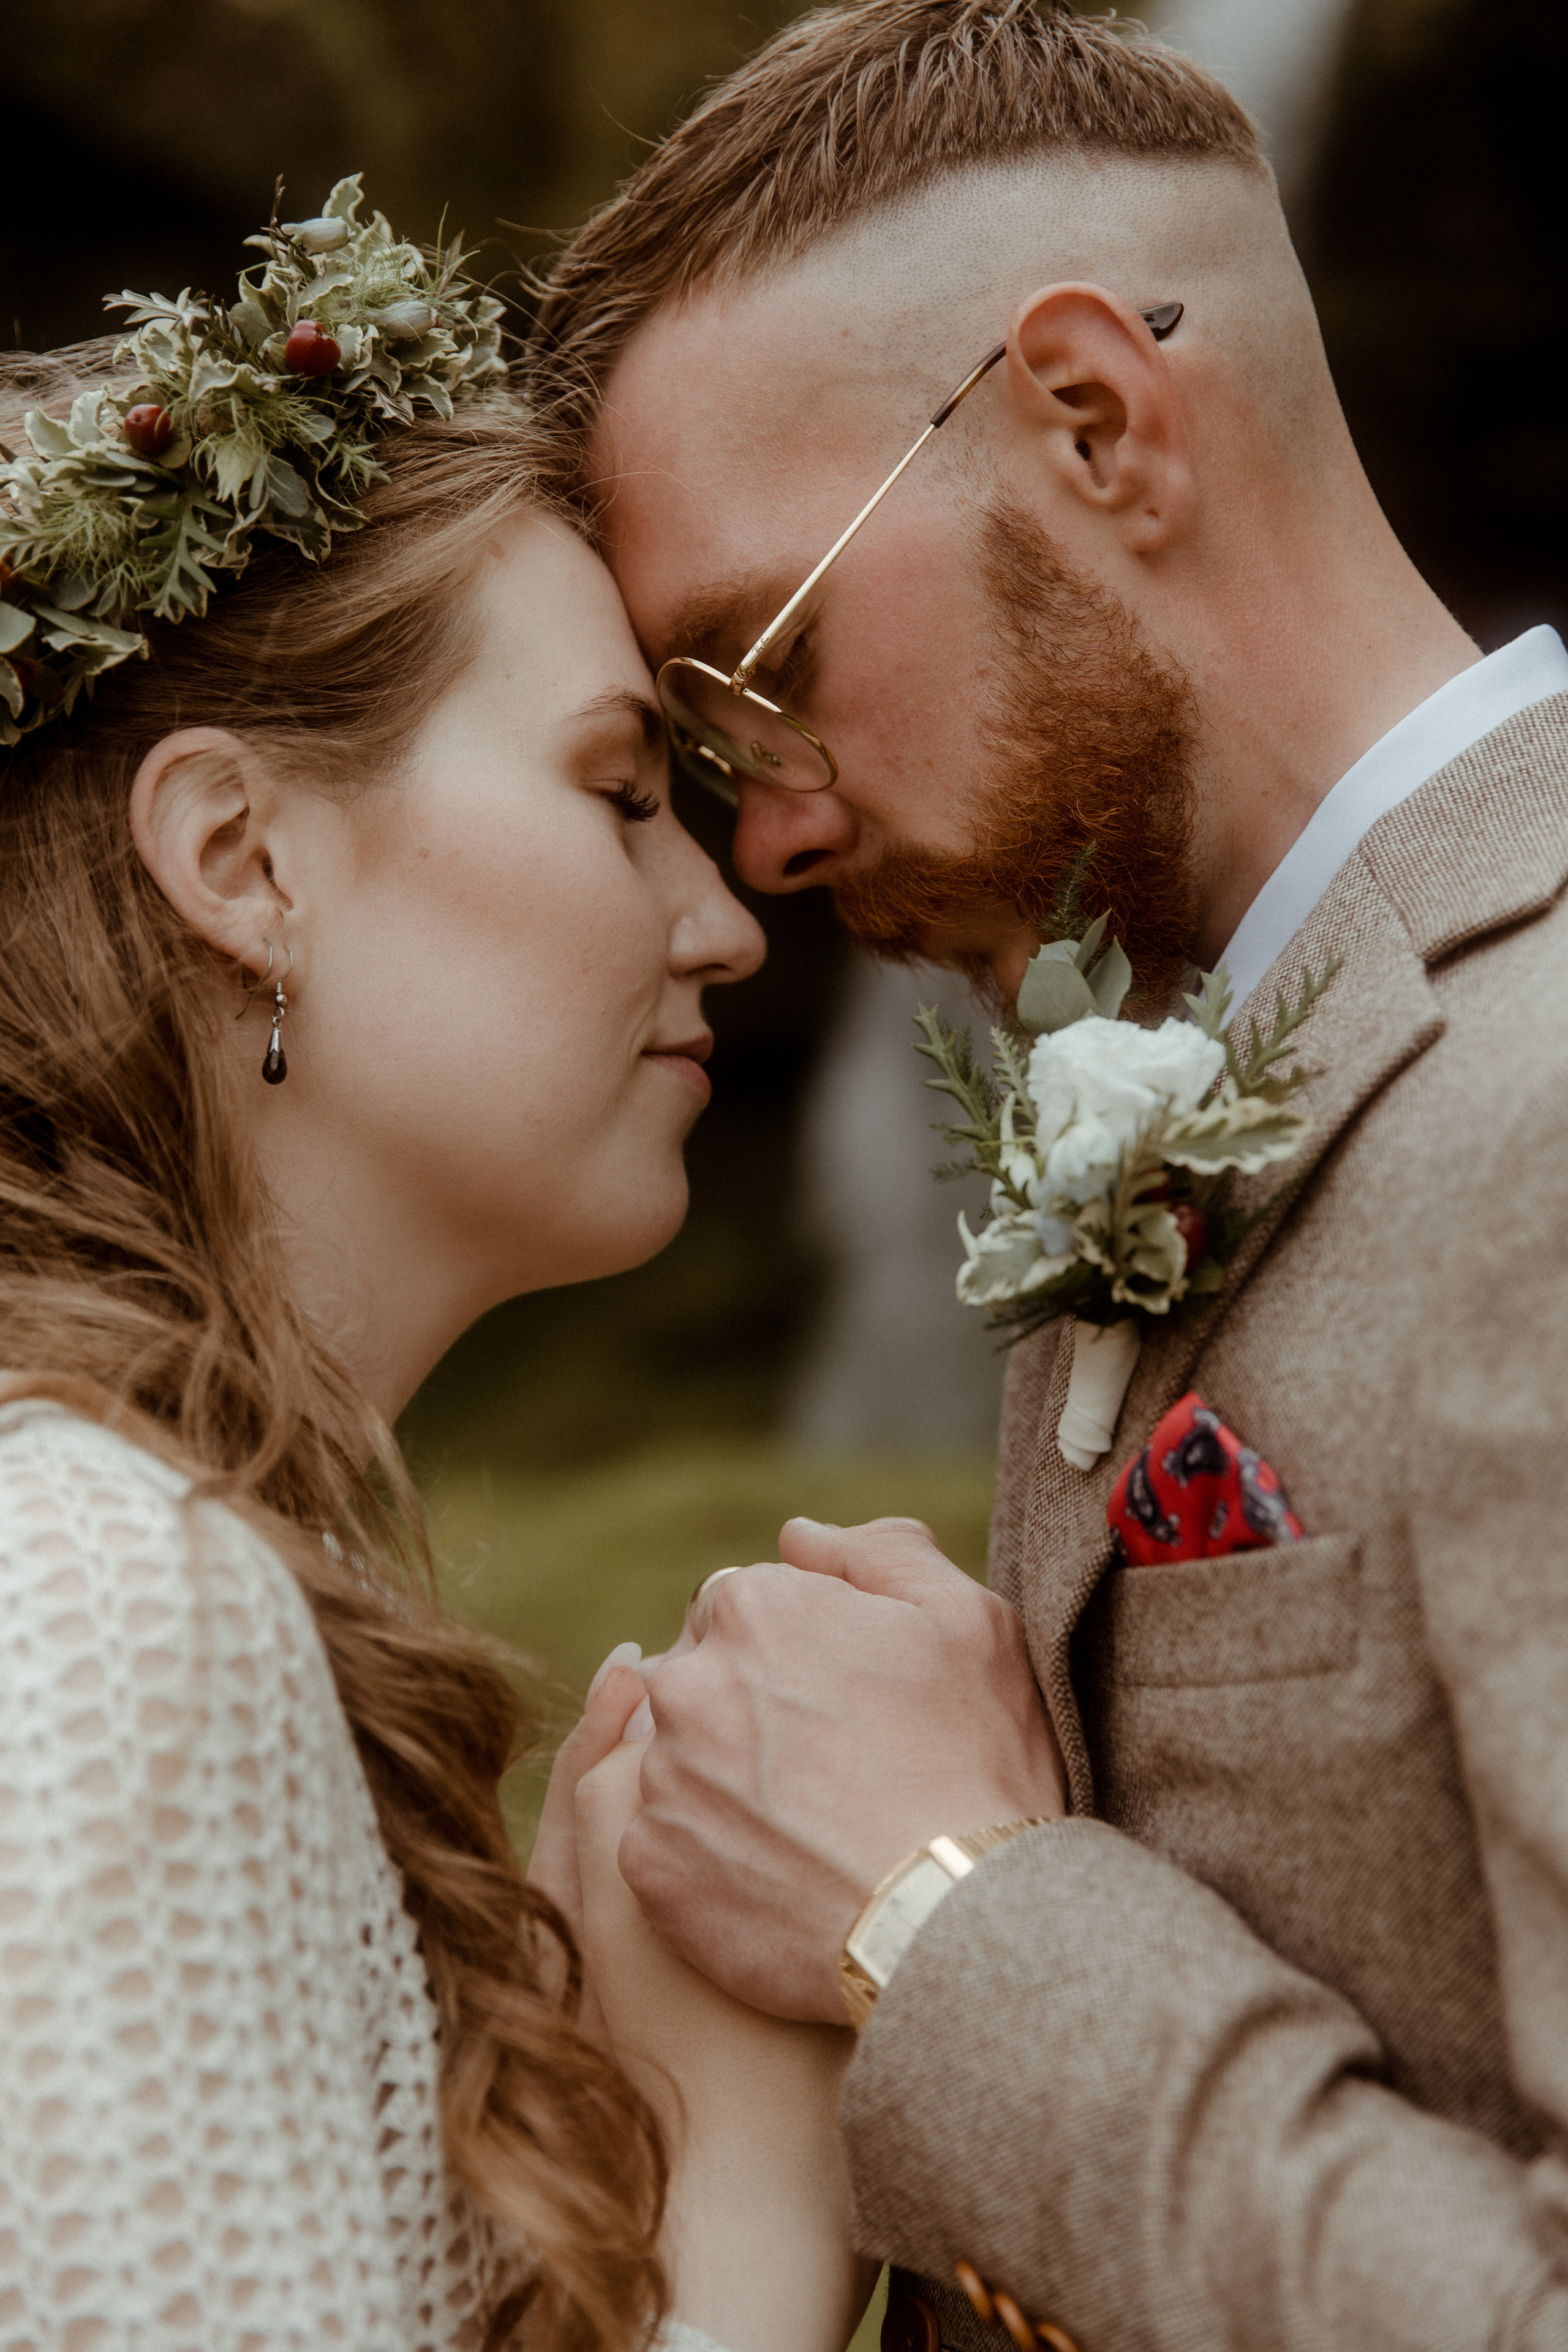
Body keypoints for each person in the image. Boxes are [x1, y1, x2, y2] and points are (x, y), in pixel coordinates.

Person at [529, 3, 1568, 2346]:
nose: (765, 833)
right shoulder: (1233, 1045)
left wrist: (936, 1906)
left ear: (1095, 418)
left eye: (756, 662)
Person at [0, 190, 870, 2352]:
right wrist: (749, 2198)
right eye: (618, 789)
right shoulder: (98, 1598)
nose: (729, 922)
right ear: (241, 861)